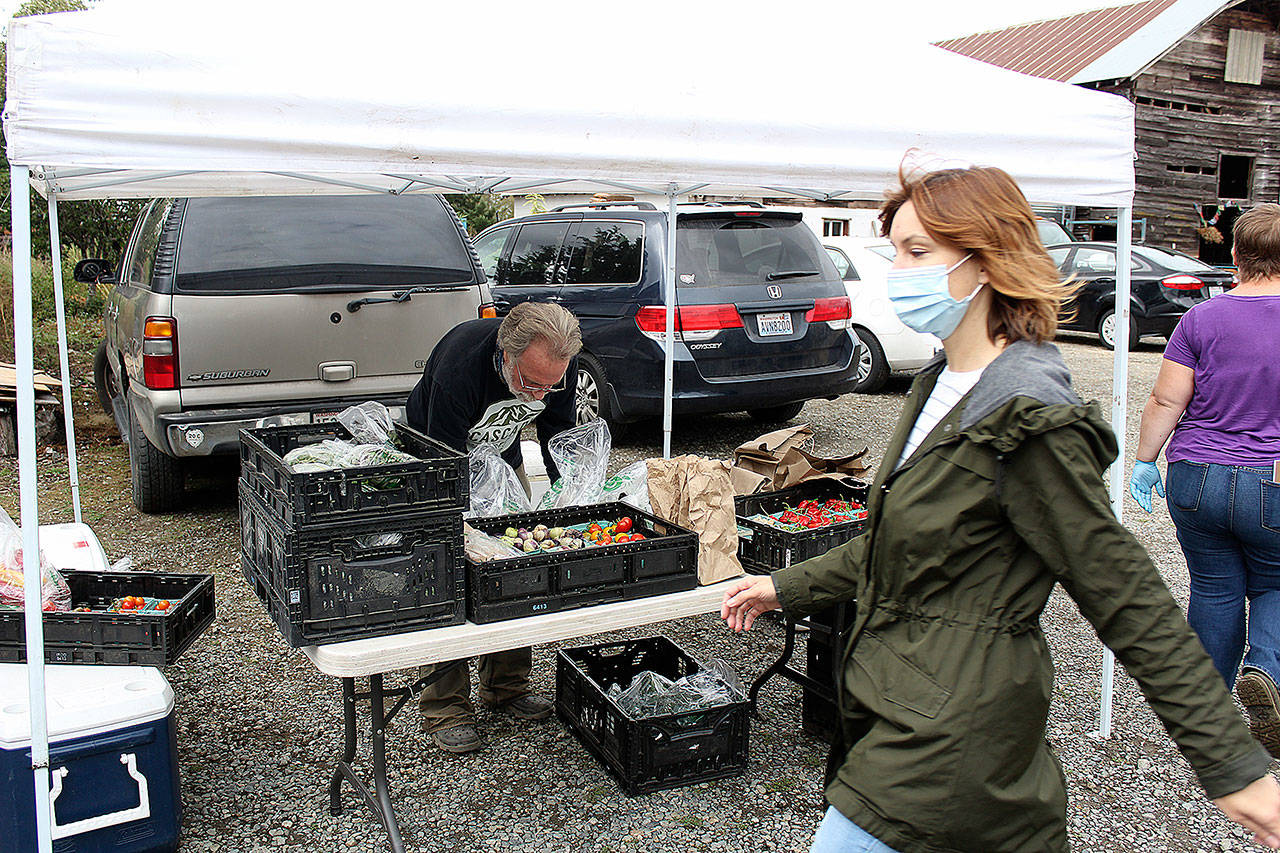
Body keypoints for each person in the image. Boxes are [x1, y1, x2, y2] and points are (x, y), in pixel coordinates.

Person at [720, 162, 1280, 852]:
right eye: (894, 247)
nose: (897, 268)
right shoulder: (936, 384)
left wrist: (1231, 764)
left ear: (987, 261)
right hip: (902, 709)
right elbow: (896, 540)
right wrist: (785, 584)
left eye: (918, 251)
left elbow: (1124, 591)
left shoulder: (1029, 411)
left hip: (950, 731)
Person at [1129, 203, 1280, 757]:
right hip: (1274, 481)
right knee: (1275, 583)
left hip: (1196, 477)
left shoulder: (1201, 319)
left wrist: (1145, 460)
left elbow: (1167, 397)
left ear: (1235, 255)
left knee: (1214, 587)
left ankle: (1206, 716)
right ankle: (1267, 672)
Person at [406, 300, 581, 754]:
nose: (539, 396)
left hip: (501, 462)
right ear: (505, 353)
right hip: (439, 457)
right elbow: (437, 457)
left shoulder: (557, 360)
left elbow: (559, 438)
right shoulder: (459, 368)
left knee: (516, 568)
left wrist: (572, 498)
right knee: (445, 574)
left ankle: (506, 687)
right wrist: (459, 525)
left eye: (551, 385)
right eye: (529, 384)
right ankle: (444, 704)